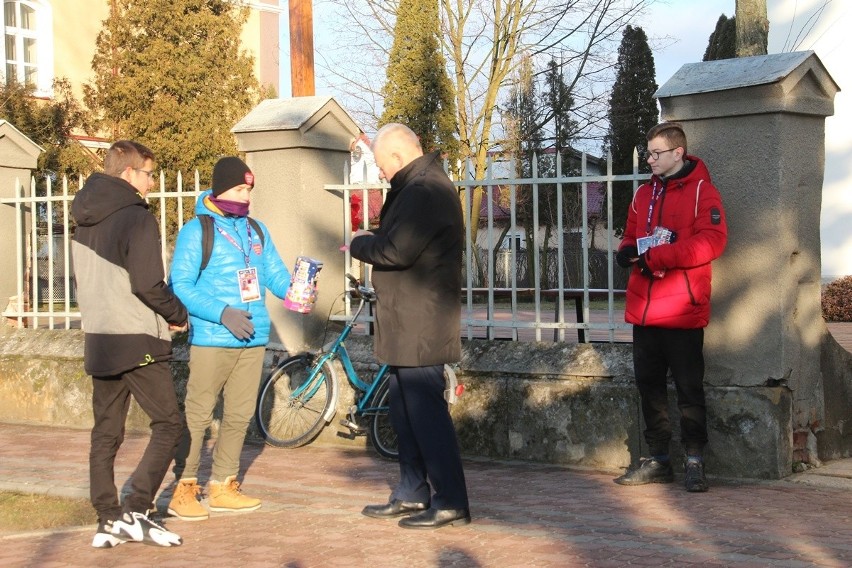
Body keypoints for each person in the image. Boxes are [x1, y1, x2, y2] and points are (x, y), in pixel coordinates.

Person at [350, 123, 470, 529]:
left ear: (398, 157)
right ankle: (412, 491)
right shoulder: (418, 186)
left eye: (383, 167)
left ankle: (451, 499)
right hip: (409, 318)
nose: (382, 174)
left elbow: (396, 250)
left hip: (422, 320)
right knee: (404, 410)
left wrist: (358, 242)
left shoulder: (424, 191)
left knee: (426, 413)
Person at [71, 140, 188, 548]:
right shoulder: (137, 218)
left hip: (100, 338)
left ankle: (107, 518)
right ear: (129, 173)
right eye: (149, 174)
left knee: (106, 432)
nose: (153, 183)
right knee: (169, 425)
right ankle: (136, 509)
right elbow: (147, 285)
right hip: (136, 336)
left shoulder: (82, 216)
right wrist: (178, 314)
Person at [167, 156, 291, 521]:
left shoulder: (256, 230)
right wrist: (222, 312)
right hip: (213, 337)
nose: (245, 196)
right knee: (199, 414)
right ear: (221, 188)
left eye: (249, 190)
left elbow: (275, 275)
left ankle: (223, 485)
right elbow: (181, 286)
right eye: (239, 189)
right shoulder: (197, 230)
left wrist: (298, 290)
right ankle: (184, 487)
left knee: (238, 416)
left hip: (253, 337)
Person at [613, 122, 727, 493]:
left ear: (678, 152)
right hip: (645, 308)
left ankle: (694, 459)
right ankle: (658, 458)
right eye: (648, 153)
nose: (650, 159)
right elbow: (630, 234)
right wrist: (626, 251)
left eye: (656, 153)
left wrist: (657, 257)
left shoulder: (701, 192)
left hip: (682, 308)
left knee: (689, 388)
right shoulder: (643, 194)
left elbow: (711, 242)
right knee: (649, 387)